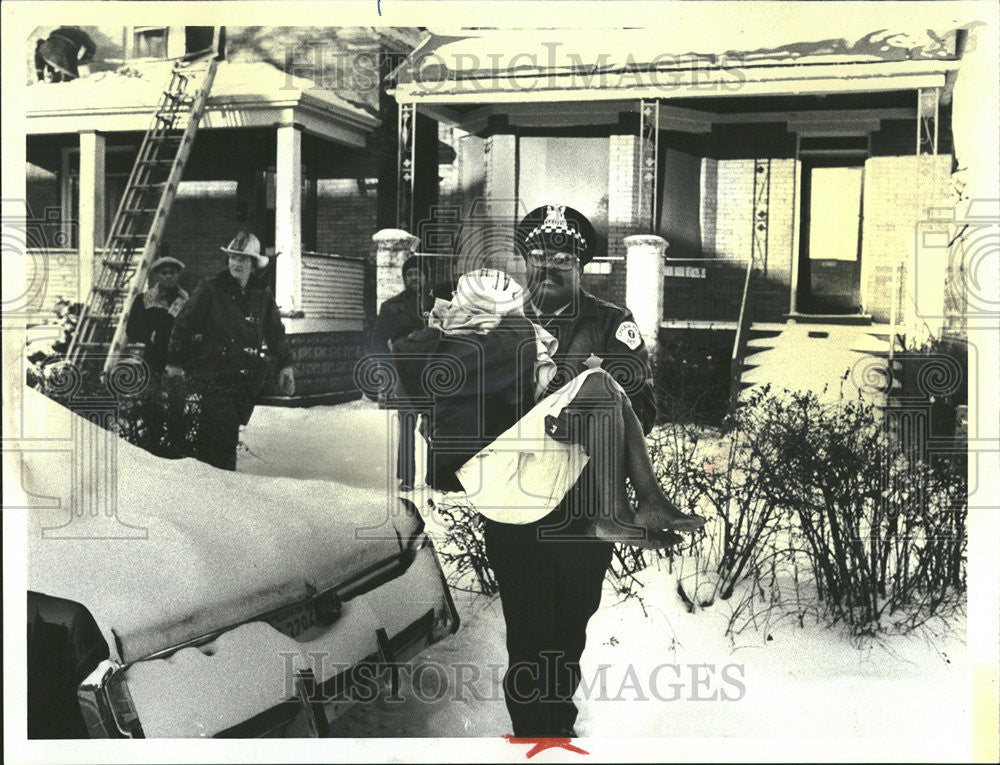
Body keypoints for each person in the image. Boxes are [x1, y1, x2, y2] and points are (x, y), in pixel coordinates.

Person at [481, 204, 701, 737]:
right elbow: (467, 405)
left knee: (569, 622)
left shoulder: (609, 322)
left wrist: (579, 394)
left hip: (585, 502)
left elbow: (643, 409)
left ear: (582, 265)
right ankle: (534, 735)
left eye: (562, 257)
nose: (549, 266)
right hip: (515, 499)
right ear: (524, 261)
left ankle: (558, 728)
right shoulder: (498, 320)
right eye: (539, 255)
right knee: (527, 628)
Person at [165, 232, 294, 470]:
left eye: (243, 259)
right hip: (215, 375)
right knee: (220, 438)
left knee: (224, 437)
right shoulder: (211, 289)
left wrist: (285, 365)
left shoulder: (261, 293)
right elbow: (183, 324)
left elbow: (274, 331)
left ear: (253, 264)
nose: (236, 263)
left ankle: (216, 488)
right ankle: (220, 491)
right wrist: (174, 362)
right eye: (233, 257)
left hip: (245, 380)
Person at [372, 255, 433, 491]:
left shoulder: (438, 304)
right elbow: (377, 340)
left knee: (435, 425)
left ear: (426, 277)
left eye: (419, 273)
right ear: (404, 277)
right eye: (410, 274)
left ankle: (435, 476)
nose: (414, 278)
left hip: (432, 374)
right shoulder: (390, 307)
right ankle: (407, 478)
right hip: (405, 374)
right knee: (407, 424)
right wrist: (391, 367)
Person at [126, 255, 189, 375]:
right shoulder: (144, 299)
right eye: (163, 273)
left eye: (172, 272)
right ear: (157, 275)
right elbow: (132, 329)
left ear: (178, 275)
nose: (168, 276)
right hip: (153, 356)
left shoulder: (186, 299)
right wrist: (151, 336)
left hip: (178, 357)